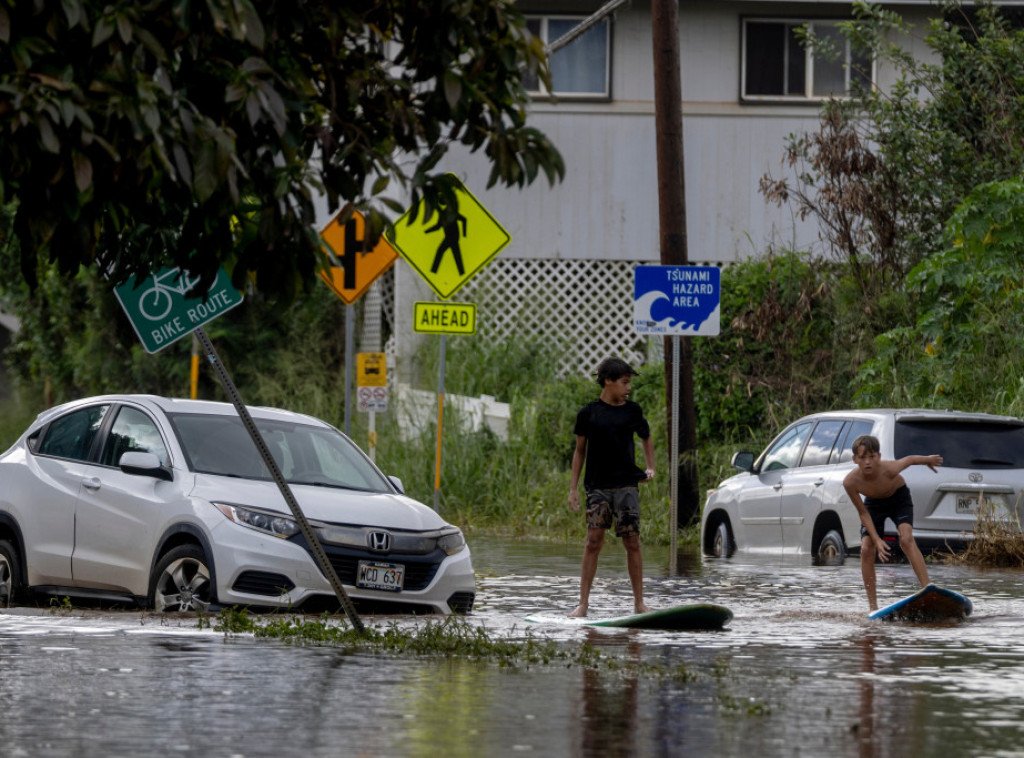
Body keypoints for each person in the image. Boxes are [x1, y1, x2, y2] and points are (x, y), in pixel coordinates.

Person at [568, 357, 656, 617]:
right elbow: (579, 452)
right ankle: (583, 604)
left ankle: (639, 602)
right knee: (593, 541)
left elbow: (646, 437)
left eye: (629, 382)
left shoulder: (632, 411)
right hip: (597, 487)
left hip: (627, 486)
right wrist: (573, 489)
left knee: (632, 542)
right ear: (608, 381)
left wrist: (650, 467)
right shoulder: (588, 413)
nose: (628, 388)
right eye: (624, 382)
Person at [843, 434, 942, 611]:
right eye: (862, 457)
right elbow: (863, 513)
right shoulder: (850, 482)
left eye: (872, 457)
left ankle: (928, 589)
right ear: (855, 459)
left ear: (879, 457)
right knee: (866, 549)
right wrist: (876, 539)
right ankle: (873, 607)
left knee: (906, 539)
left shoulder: (888, 469)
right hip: (873, 505)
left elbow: (910, 460)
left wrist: (928, 459)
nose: (868, 462)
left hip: (898, 499)